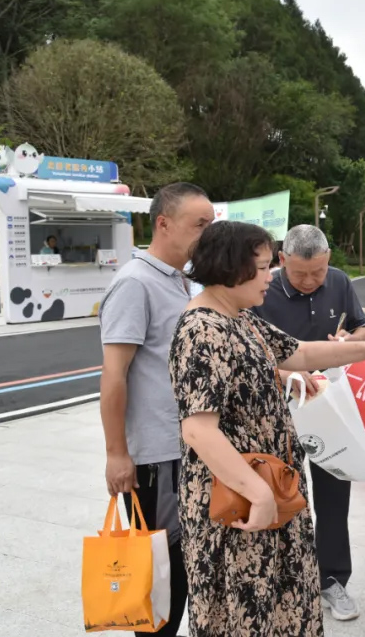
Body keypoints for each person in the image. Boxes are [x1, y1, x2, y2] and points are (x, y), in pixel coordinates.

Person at [169, 220, 365, 637]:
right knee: (247, 612)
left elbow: (297, 352)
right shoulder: (202, 330)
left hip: (270, 484)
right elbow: (199, 431)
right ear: (233, 269)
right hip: (239, 501)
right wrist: (258, 492)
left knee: (283, 606)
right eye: (264, 267)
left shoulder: (240, 318)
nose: (272, 276)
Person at [98, 182, 214, 637]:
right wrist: (116, 453)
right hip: (155, 458)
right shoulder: (135, 283)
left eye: (210, 224)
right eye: (198, 224)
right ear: (163, 223)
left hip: (186, 448)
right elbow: (113, 376)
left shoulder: (182, 280)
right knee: (161, 577)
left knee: (183, 568)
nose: (206, 234)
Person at [251, 224, 365, 621]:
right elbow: (246, 351)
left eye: (317, 272)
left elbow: (362, 326)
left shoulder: (338, 282)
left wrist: (349, 342)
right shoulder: (259, 289)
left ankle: (333, 580)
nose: (309, 281)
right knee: (282, 495)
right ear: (282, 259)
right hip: (276, 408)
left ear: (329, 260)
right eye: (300, 273)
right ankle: (284, 579)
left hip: (329, 405)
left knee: (335, 496)